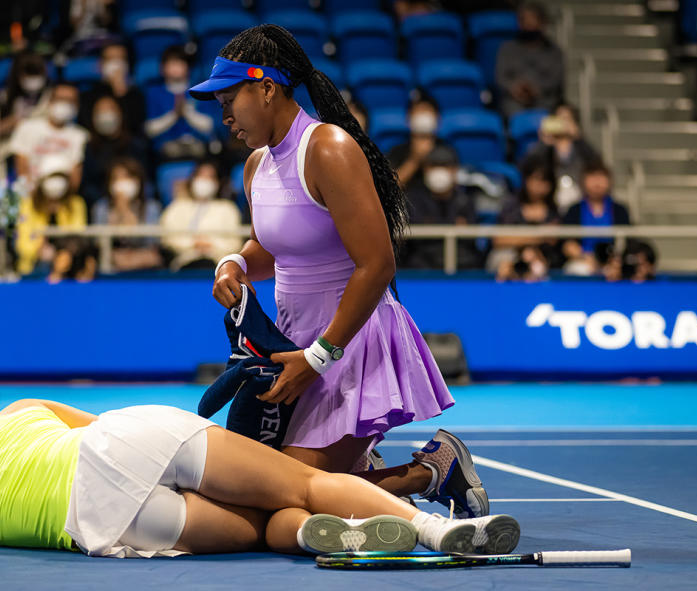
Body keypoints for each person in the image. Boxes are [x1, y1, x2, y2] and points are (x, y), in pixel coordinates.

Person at [189, 25, 487, 518]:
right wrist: (235, 261)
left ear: (266, 87)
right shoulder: (255, 166)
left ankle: (433, 469)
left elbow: (378, 264)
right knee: (263, 489)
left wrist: (321, 356)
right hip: (292, 344)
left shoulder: (328, 147)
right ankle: (360, 463)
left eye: (229, 100)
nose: (224, 118)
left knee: (289, 499)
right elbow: (274, 246)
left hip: (348, 344)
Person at [0, 388, 521, 557]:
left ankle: (308, 537)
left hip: (115, 525)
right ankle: (433, 531)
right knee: (297, 483)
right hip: (127, 445)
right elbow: (99, 423)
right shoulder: (18, 414)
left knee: (260, 529)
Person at [401, 145, 483, 270]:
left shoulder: (465, 200)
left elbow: (471, 238)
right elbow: (414, 237)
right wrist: (453, 226)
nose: (439, 172)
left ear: (455, 170)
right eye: (434, 166)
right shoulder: (413, 199)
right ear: (425, 170)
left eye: (445, 166)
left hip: (461, 262)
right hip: (422, 264)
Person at [159, 158, 243, 271]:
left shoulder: (228, 208)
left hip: (218, 264)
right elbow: (167, 238)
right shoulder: (177, 207)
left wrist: (211, 244)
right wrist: (192, 244)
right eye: (200, 176)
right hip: (183, 264)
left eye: (210, 177)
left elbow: (235, 243)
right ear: (192, 180)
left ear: (217, 183)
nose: (204, 181)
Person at [489, 151, 562, 280]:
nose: (539, 185)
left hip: (545, 261)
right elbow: (499, 240)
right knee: (503, 262)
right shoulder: (512, 207)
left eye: (544, 181)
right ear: (526, 180)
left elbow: (554, 241)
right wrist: (539, 236)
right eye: (535, 179)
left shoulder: (554, 211)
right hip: (511, 257)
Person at [14, 154, 88, 277]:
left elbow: (77, 235)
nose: (56, 183)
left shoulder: (76, 203)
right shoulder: (28, 204)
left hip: (69, 268)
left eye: (60, 177)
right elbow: (22, 243)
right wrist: (38, 249)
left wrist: (60, 255)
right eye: (52, 177)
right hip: (34, 268)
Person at [522, 102, 600, 214]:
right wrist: (544, 143)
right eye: (560, 119)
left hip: (579, 195)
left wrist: (579, 139)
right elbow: (529, 167)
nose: (563, 123)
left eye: (567, 119)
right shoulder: (545, 147)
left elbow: (595, 164)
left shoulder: (580, 146)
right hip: (550, 197)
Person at [8, 82, 89, 187]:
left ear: (77, 106)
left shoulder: (80, 136)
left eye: (70, 101)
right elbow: (21, 167)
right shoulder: (27, 128)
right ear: (50, 101)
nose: (64, 104)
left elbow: (76, 176)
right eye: (60, 99)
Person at [91, 157, 164, 272]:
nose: (122, 183)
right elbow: (99, 243)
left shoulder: (151, 207)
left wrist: (126, 211)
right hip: (112, 264)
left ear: (138, 181)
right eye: (116, 178)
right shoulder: (101, 208)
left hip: (144, 264)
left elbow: (151, 241)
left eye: (127, 177)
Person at [494, 1, 565, 118]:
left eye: (532, 20)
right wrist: (515, 88)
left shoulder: (555, 52)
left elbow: (556, 81)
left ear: (542, 22)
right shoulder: (507, 48)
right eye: (524, 20)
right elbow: (500, 77)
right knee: (512, 111)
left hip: (544, 101)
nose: (528, 24)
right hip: (514, 101)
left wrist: (536, 89)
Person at [561, 159, 631, 276]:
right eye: (592, 177)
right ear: (583, 181)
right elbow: (567, 243)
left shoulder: (620, 210)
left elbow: (627, 242)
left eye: (601, 177)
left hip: (613, 263)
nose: (597, 182)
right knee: (578, 270)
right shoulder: (574, 210)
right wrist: (585, 258)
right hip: (583, 262)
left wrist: (614, 262)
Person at [145, 45, 215, 161]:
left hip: (196, 146)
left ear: (188, 67)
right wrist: (174, 115)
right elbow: (150, 129)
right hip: (166, 148)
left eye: (180, 63)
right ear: (162, 68)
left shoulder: (199, 91)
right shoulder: (154, 93)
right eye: (172, 63)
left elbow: (208, 126)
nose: (176, 68)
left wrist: (187, 113)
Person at [80, 92, 149, 207]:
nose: (105, 115)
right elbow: (88, 185)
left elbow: (145, 179)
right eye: (100, 112)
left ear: (120, 113)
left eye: (110, 110)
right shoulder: (90, 147)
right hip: (102, 205)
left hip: (135, 202)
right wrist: (108, 201)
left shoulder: (136, 145)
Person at [387, 93, 455, 189]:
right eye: (418, 111)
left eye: (427, 110)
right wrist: (415, 160)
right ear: (408, 118)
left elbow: (454, 185)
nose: (423, 114)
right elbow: (389, 188)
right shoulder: (397, 151)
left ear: (437, 118)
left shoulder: (446, 149)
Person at [78, 41, 146, 136]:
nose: (116, 64)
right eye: (110, 59)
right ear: (100, 65)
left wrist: (120, 91)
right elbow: (86, 126)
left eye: (121, 59)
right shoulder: (88, 95)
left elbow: (135, 127)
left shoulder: (136, 95)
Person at [0, 52, 50, 139]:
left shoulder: (49, 96)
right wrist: (11, 123)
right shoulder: (5, 96)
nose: (33, 78)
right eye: (29, 73)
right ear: (18, 75)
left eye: (36, 73)